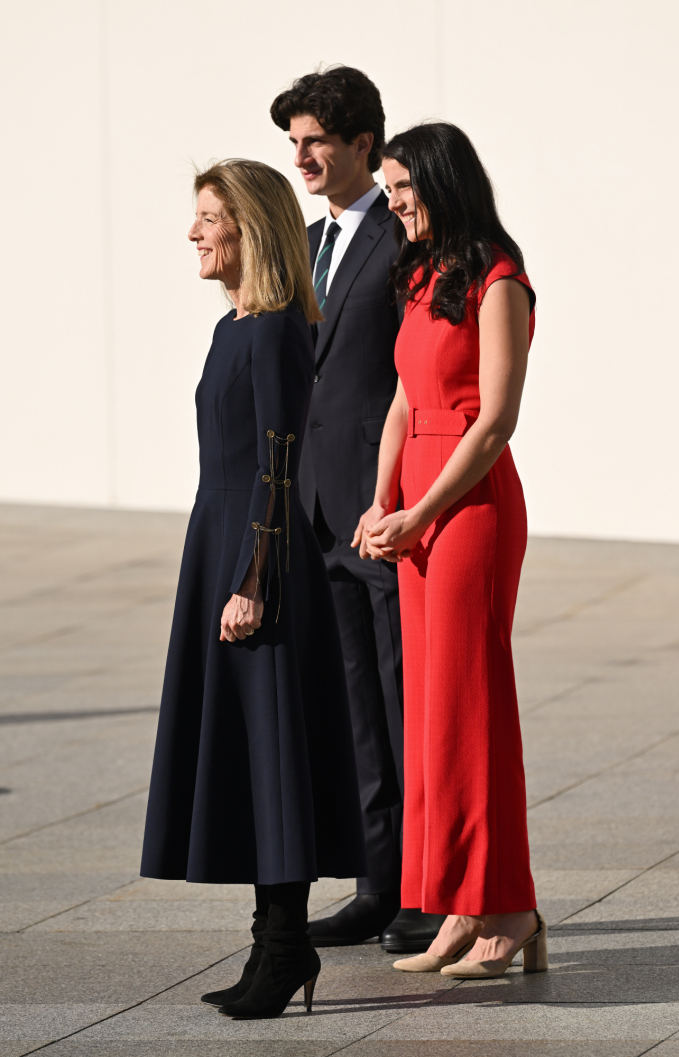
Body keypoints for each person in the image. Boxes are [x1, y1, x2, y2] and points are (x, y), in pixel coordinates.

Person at [140, 159, 367, 1019]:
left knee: (274, 753)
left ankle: (283, 950)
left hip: (253, 560)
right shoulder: (232, 327)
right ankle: (273, 944)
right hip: (223, 545)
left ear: (250, 227)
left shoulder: (273, 329)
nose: (194, 233)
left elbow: (278, 465)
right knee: (251, 752)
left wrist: (252, 579)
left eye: (208, 217)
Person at [355, 123, 548, 979]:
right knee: (431, 713)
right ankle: (461, 904)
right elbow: (402, 400)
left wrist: (424, 508)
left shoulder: (500, 277)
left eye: (402, 186)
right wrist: (380, 499)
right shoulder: (421, 271)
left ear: (441, 180)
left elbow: (496, 422)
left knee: (473, 707)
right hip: (421, 502)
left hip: (471, 504)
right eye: (389, 188)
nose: (392, 201)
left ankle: (511, 905)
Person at [271, 66, 443, 954]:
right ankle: (379, 881)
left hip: (385, 508)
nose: (301, 155)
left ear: (363, 144)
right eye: (293, 141)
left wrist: (398, 499)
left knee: (405, 696)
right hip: (314, 512)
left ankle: (427, 885)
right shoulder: (304, 243)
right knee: (356, 709)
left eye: (316, 141)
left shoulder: (405, 233)